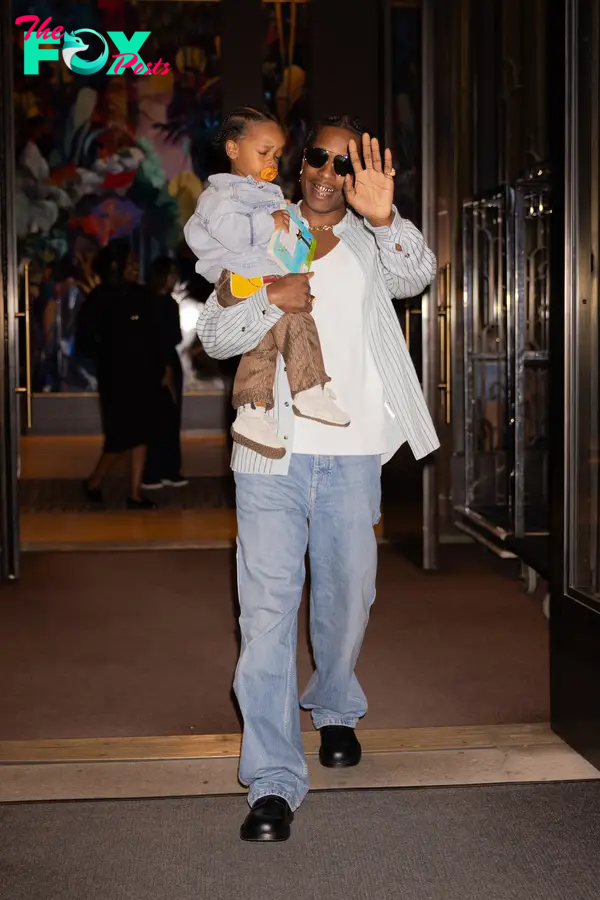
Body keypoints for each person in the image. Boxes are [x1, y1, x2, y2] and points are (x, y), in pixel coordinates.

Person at [197, 114, 440, 842]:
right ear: (297, 165)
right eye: (318, 158)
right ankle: (273, 779)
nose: (330, 172)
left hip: (354, 450)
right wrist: (271, 297)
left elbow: (417, 274)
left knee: (349, 597)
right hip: (268, 454)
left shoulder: (373, 237)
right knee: (265, 616)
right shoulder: (263, 230)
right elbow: (214, 334)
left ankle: (334, 703)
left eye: (344, 162)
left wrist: (387, 213)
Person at [184, 106, 350, 462]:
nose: (271, 161)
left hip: (258, 277)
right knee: (294, 316)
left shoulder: (265, 192)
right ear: (233, 149)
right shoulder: (222, 195)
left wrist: (287, 220)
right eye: (263, 153)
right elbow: (230, 232)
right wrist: (269, 222)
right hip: (241, 280)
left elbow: (275, 232)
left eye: (276, 155)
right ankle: (308, 387)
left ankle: (252, 412)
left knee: (263, 344)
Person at [77, 239, 165, 510]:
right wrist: (110, 349)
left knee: (142, 434)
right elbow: (85, 342)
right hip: (116, 379)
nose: (136, 267)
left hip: (144, 376)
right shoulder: (99, 298)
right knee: (118, 438)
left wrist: (160, 370)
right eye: (130, 262)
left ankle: (134, 493)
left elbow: (155, 336)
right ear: (115, 265)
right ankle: (94, 481)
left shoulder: (143, 295)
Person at [140, 257, 189, 490]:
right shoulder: (168, 304)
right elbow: (173, 338)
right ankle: (168, 469)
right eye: (170, 274)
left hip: (150, 364)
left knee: (153, 418)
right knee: (168, 417)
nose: (174, 278)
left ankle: (154, 471)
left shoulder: (146, 302)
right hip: (166, 362)